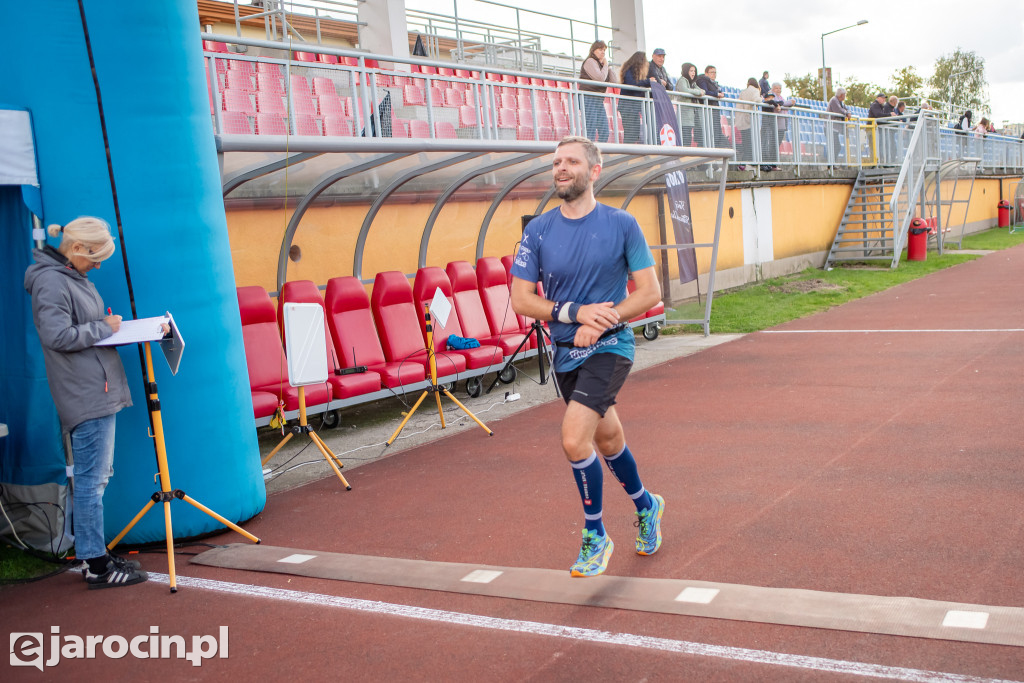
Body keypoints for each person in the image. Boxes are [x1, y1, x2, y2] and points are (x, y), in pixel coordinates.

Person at [509, 136, 664, 578]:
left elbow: (650, 292)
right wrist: (572, 314)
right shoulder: (536, 230)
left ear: (594, 171)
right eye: (556, 162)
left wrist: (601, 322)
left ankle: (596, 536)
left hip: (610, 346)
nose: (560, 168)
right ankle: (647, 506)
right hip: (565, 351)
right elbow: (521, 299)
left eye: (571, 161)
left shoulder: (622, 224)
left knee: (575, 439)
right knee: (608, 440)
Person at [24, 217, 149, 589]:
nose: (98, 265)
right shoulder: (52, 281)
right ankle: (96, 565)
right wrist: (104, 328)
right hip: (85, 392)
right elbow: (56, 335)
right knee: (92, 482)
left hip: (95, 388)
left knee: (96, 479)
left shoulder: (69, 277)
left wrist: (105, 325)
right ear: (77, 249)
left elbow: (74, 328)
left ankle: (95, 554)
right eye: (95, 258)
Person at [578, 40, 617, 143]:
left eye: (604, 50)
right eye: (600, 49)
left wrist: (607, 66)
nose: (603, 52)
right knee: (590, 131)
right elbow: (600, 78)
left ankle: (596, 152)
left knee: (605, 131)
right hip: (588, 97)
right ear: (593, 51)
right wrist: (605, 66)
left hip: (598, 100)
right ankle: (587, 154)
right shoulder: (590, 61)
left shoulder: (602, 65)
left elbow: (614, 81)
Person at [618, 51, 652, 144]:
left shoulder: (635, 73)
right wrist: (648, 81)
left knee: (635, 133)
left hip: (633, 108)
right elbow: (632, 83)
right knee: (630, 133)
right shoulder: (629, 70)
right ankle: (626, 154)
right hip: (627, 107)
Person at [674, 62, 705, 147]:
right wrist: (698, 92)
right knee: (685, 138)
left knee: (690, 139)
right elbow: (685, 90)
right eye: (691, 71)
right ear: (686, 71)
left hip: (692, 116)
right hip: (684, 116)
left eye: (694, 71)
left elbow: (703, 91)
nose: (693, 73)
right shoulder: (682, 80)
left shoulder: (693, 83)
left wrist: (699, 92)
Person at [735, 77, 761, 169]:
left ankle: (743, 164)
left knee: (746, 143)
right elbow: (756, 100)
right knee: (750, 144)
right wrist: (761, 99)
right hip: (750, 120)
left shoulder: (743, 92)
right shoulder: (755, 90)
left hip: (742, 121)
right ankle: (744, 164)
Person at [695, 65, 724, 147]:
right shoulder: (702, 80)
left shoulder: (714, 83)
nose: (714, 74)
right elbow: (705, 92)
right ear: (706, 73)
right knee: (707, 133)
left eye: (715, 72)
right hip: (707, 112)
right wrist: (716, 94)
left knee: (715, 133)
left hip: (713, 110)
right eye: (712, 72)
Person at [771, 82, 796, 163]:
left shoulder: (781, 97)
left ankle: (775, 162)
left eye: (779, 88)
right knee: (774, 144)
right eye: (776, 88)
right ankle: (773, 162)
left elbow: (783, 104)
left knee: (778, 143)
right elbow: (781, 103)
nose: (778, 90)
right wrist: (790, 102)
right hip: (776, 124)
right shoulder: (772, 96)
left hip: (782, 125)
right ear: (773, 89)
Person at [827, 87, 851, 162]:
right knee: (836, 146)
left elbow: (846, 109)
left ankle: (832, 163)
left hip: (835, 128)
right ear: (841, 95)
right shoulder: (834, 100)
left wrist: (848, 112)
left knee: (837, 146)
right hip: (830, 127)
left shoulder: (841, 102)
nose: (845, 96)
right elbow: (838, 110)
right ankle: (831, 164)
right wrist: (846, 113)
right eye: (844, 94)